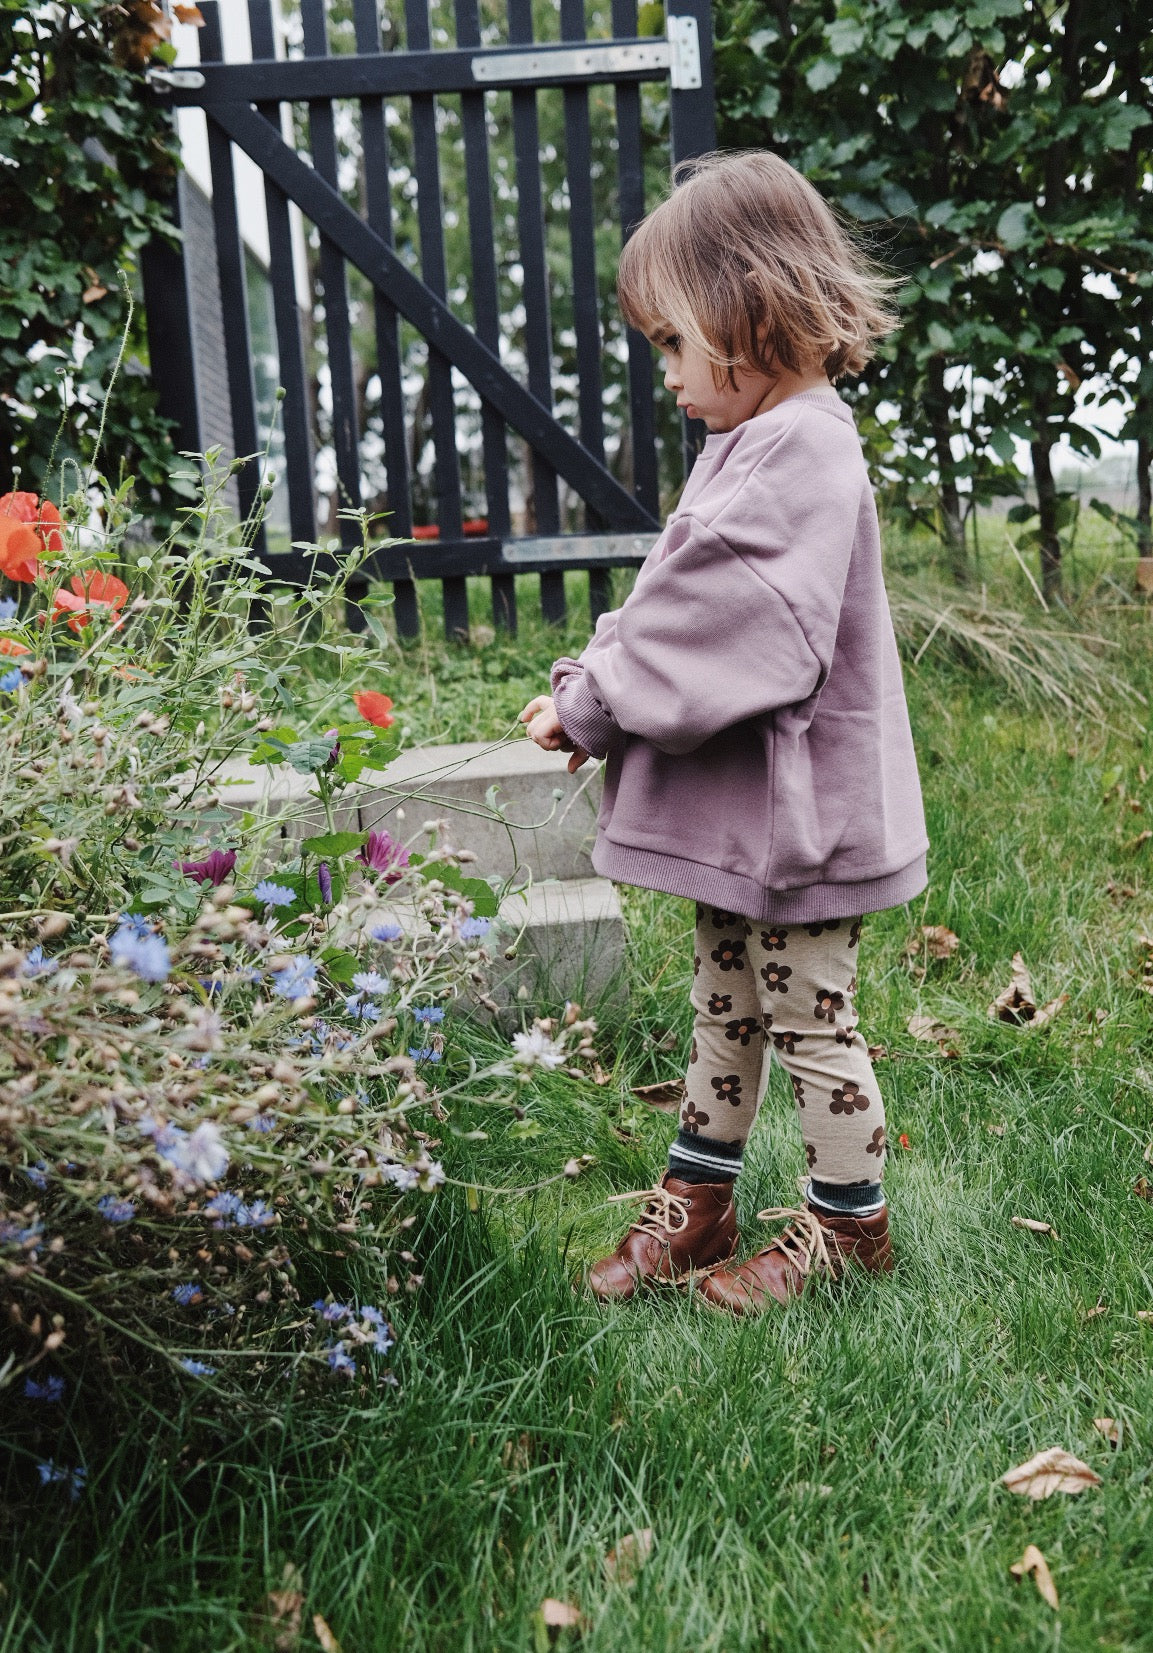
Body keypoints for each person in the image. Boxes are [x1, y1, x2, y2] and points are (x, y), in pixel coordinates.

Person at [519, 150, 928, 1315]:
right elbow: (674, 589)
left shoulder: (803, 444)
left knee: (804, 1011)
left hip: (802, 815)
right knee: (725, 1002)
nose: (668, 374)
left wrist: (593, 699)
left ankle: (850, 1231)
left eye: (671, 342)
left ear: (749, 309)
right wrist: (596, 672)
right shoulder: (752, 441)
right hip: (752, 811)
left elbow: (723, 611)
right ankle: (699, 1207)